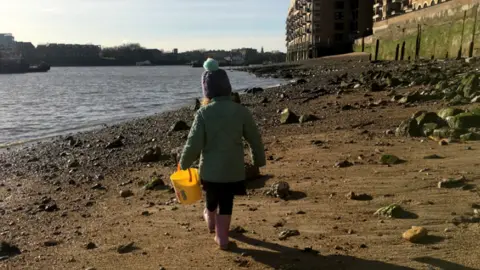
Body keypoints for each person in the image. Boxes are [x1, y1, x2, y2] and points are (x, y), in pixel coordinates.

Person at [179, 58, 266, 250]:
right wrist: (258, 159)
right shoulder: (241, 111)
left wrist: (183, 163)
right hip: (233, 169)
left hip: (210, 170)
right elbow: (254, 138)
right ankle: (222, 238)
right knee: (227, 201)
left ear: (206, 91)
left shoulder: (203, 113)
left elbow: (194, 143)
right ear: (228, 88)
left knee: (212, 197)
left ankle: (210, 219)